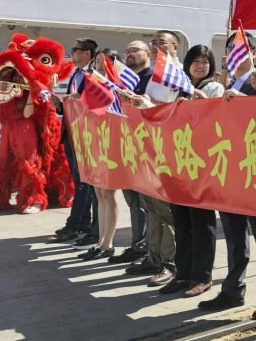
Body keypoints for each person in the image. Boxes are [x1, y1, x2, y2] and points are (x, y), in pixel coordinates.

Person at [203, 31, 256, 322]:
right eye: (231, 48)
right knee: (234, 234)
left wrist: (253, 95)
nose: (236, 53)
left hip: (255, 170)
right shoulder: (226, 83)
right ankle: (232, 288)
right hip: (229, 168)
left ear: (254, 53)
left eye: (242, 48)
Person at [124, 30, 184, 286]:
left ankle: (170, 262)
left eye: (163, 43)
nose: (158, 46)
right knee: (150, 206)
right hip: (146, 145)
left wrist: (145, 103)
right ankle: (155, 255)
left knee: (164, 208)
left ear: (175, 47)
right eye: (155, 42)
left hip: (169, 148)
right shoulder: (154, 75)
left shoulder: (177, 74)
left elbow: (169, 109)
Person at [162, 45, 221, 297]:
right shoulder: (175, 87)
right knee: (181, 221)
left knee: (202, 223)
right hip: (177, 161)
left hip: (201, 164)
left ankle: (202, 275)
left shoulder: (212, 88)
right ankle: (182, 272)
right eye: (195, 60)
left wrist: (199, 102)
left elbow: (216, 117)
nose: (200, 65)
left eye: (205, 61)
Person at [107, 40, 152, 266]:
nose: (130, 54)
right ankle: (137, 244)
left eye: (134, 50)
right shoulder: (122, 80)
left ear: (148, 53)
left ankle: (148, 249)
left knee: (147, 203)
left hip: (146, 149)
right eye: (127, 51)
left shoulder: (154, 79)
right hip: (126, 146)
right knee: (132, 201)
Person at [79, 49, 125, 262]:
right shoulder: (93, 81)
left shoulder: (117, 85)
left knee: (109, 193)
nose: (98, 64)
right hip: (95, 142)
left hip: (112, 143)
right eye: (97, 61)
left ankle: (108, 242)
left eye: (103, 61)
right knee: (99, 194)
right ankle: (101, 240)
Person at [53, 38, 98, 244]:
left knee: (82, 182)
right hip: (72, 131)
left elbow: (90, 103)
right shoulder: (77, 74)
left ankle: (74, 225)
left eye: (76, 50)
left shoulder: (92, 75)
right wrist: (60, 105)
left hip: (84, 135)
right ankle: (83, 222)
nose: (72, 53)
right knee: (79, 180)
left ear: (87, 53)